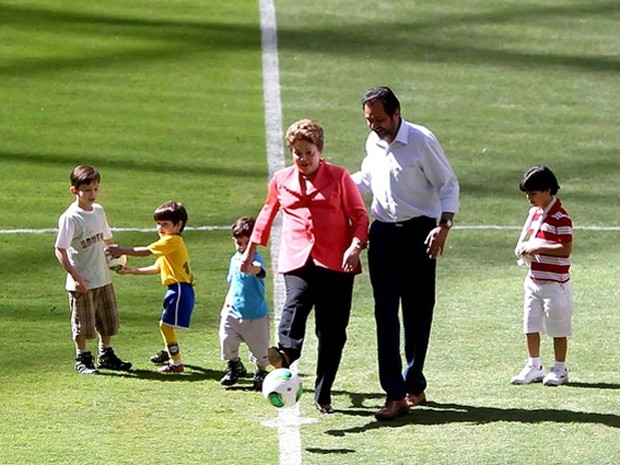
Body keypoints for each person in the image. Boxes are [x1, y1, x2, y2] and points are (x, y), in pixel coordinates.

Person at [240, 118, 369, 414]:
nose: (303, 159)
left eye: (309, 152)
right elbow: (266, 214)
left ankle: (323, 394)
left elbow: (360, 217)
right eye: (297, 153)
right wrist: (251, 250)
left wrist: (355, 246)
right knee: (295, 302)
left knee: (332, 332)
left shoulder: (339, 177)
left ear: (320, 151)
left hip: (337, 262)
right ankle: (285, 353)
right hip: (298, 259)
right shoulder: (282, 179)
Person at [351, 86, 460, 421]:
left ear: (397, 113)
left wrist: (443, 227)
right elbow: (367, 179)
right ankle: (394, 394)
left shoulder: (421, 140)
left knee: (417, 312)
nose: (374, 126)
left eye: (380, 119)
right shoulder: (374, 141)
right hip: (382, 234)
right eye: (369, 120)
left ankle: (415, 383)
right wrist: (335, 185)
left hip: (420, 233)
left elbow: (448, 185)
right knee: (385, 313)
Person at [54, 164, 132, 375]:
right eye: (87, 190)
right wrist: (75, 276)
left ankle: (105, 354)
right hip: (83, 281)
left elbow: (108, 240)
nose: (92, 194)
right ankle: (82, 358)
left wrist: (116, 261)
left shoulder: (99, 211)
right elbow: (60, 249)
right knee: (83, 322)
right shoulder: (70, 217)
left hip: (103, 277)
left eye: (95, 189)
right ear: (75, 190)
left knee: (107, 319)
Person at [106, 201, 195, 373]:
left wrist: (122, 250)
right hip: (175, 290)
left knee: (165, 326)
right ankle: (169, 351)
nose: (160, 228)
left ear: (178, 225)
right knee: (166, 325)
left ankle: (176, 363)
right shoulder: (168, 246)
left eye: (165, 224)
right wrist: (132, 271)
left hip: (179, 290)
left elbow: (146, 251)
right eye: (158, 224)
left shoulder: (172, 240)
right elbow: (157, 268)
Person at [511, 165, 573, 386]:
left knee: (558, 327)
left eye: (533, 193)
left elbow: (565, 248)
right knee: (530, 324)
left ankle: (560, 367)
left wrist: (537, 247)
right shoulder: (536, 214)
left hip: (555, 283)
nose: (529, 198)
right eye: (527, 194)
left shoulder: (560, 217)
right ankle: (534, 365)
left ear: (547, 190)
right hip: (534, 280)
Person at [219, 216, 270, 391]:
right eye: (238, 243)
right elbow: (232, 283)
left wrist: (252, 268)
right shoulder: (234, 259)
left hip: (255, 314)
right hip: (232, 311)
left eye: (246, 244)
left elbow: (259, 269)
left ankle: (261, 372)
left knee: (260, 349)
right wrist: (226, 304)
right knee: (226, 340)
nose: (242, 248)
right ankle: (234, 365)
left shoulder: (256, 259)